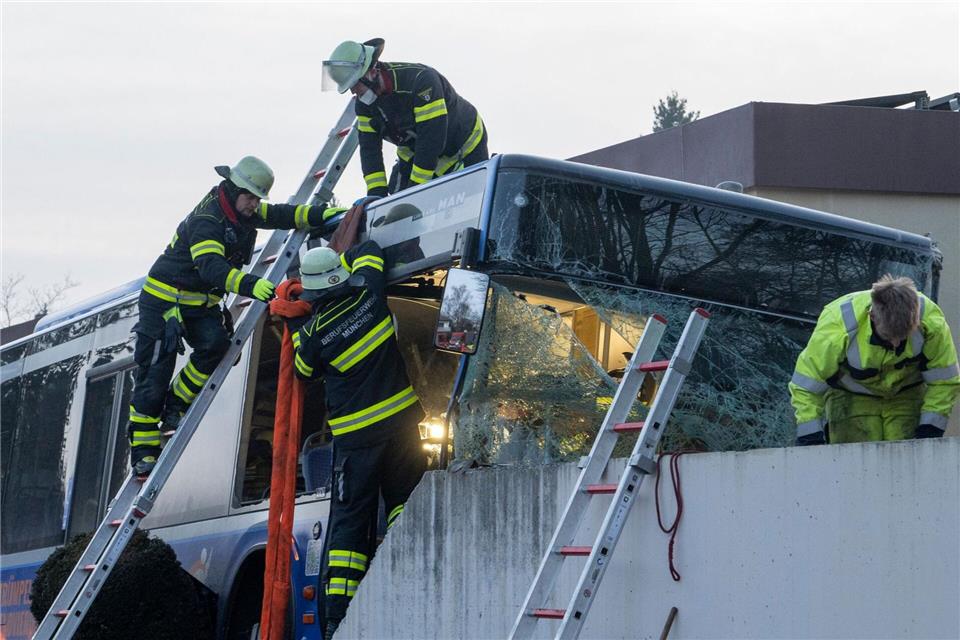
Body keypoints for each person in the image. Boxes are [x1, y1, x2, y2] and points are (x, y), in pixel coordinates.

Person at [127, 155, 344, 477]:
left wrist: (328, 215)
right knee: (154, 375)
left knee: (216, 346)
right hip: (164, 301)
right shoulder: (207, 220)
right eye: (250, 197)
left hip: (199, 302)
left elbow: (285, 214)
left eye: (258, 198)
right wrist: (251, 285)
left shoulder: (243, 210)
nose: (255, 204)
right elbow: (211, 267)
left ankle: (175, 404)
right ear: (232, 188)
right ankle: (143, 450)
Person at [284, 237, 425, 639]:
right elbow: (372, 247)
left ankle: (337, 618)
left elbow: (303, 369)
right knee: (406, 502)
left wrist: (294, 318)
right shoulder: (370, 293)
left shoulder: (316, 333)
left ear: (313, 292)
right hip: (402, 428)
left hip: (357, 442)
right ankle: (410, 572)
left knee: (350, 523)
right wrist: (346, 248)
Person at [790, 275, 960, 445]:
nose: (896, 343)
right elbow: (806, 387)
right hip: (850, 400)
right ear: (872, 316)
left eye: (903, 336)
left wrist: (930, 428)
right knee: (854, 465)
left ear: (915, 319)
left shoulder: (931, 322)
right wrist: (810, 436)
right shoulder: (838, 324)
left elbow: (944, 382)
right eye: (887, 337)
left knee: (905, 463)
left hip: (906, 397)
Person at [322, 38, 489, 197]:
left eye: (355, 85)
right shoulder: (364, 106)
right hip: (415, 151)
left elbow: (431, 140)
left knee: (473, 198)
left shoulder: (421, 82)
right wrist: (375, 195)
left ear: (372, 71)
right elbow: (369, 150)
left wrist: (415, 190)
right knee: (396, 201)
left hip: (464, 143)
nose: (353, 92)